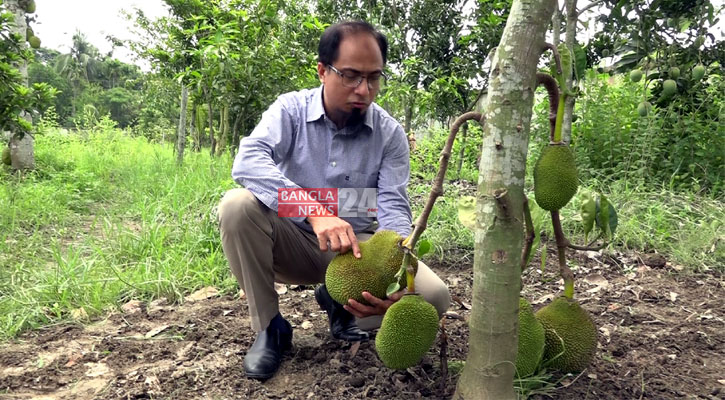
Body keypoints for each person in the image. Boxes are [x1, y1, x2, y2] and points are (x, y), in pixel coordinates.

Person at [218, 20, 450, 380]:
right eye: (351, 76)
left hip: (358, 251)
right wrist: (313, 211)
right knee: (237, 206)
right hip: (292, 240)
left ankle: (339, 304)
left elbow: (393, 206)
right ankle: (271, 328)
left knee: (434, 297)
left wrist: (399, 280)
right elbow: (248, 161)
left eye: (374, 78)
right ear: (323, 71)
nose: (364, 89)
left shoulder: (389, 134)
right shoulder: (291, 111)